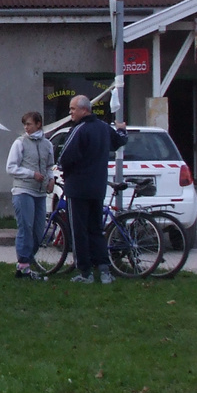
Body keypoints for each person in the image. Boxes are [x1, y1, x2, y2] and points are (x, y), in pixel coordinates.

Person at [58, 94, 127, 284]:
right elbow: (119, 140)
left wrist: (64, 171)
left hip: (77, 188)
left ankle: (85, 272)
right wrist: (122, 130)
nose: (70, 112)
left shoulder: (79, 130)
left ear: (84, 110)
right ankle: (104, 270)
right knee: (96, 229)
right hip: (98, 187)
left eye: (73, 109)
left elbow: (64, 157)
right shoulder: (104, 128)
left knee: (79, 230)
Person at [6, 110, 54, 280]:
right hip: (23, 190)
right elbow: (11, 167)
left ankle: (26, 261)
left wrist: (51, 179)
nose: (26, 127)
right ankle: (23, 266)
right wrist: (31, 174)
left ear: (38, 124)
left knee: (38, 231)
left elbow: (49, 166)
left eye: (29, 124)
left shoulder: (47, 144)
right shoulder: (20, 143)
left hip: (40, 192)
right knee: (25, 227)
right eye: (25, 124)